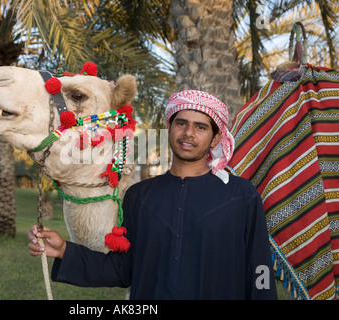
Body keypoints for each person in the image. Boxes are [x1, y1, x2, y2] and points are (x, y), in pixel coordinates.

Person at [28, 90, 278, 300]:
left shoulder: (241, 195)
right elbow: (123, 269)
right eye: (181, 123)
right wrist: (64, 251)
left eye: (200, 127)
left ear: (215, 139)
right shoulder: (140, 196)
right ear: (169, 128)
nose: (189, 133)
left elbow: (260, 269)